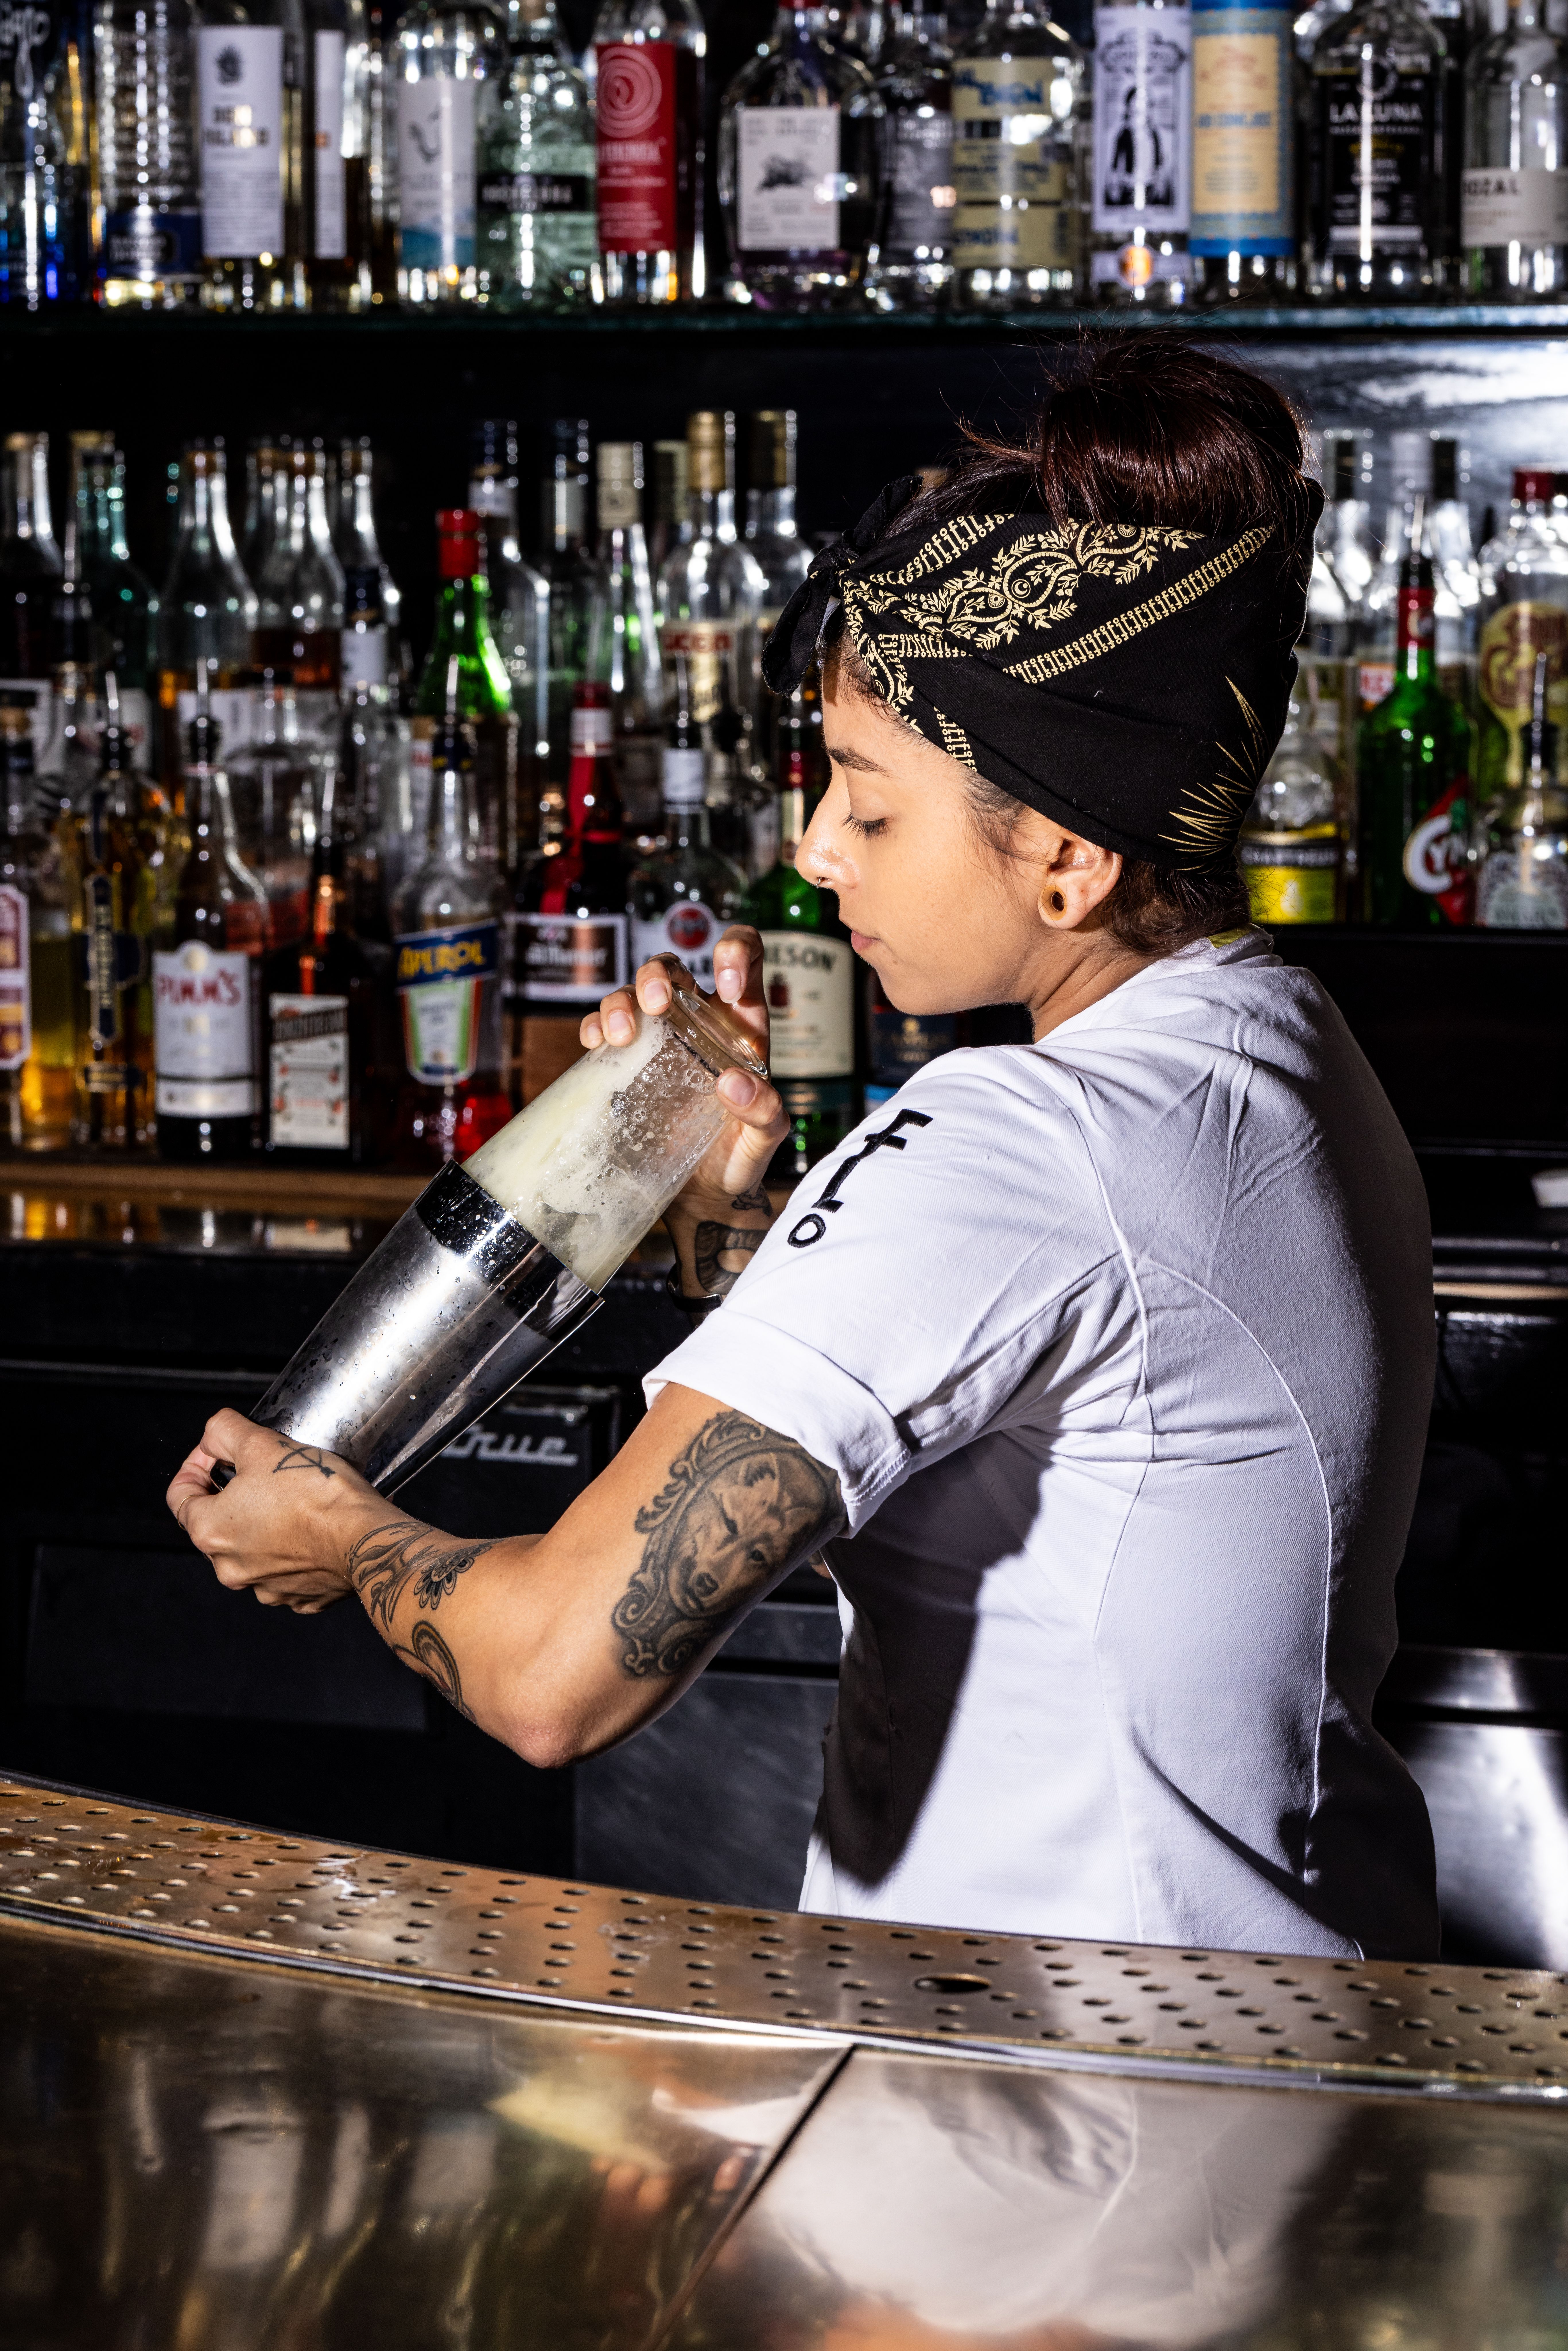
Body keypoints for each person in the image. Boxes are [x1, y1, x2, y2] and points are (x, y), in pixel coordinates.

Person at [169, 340, 1439, 1960]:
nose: (816, 851)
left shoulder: (1010, 1144)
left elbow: (558, 1676)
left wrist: (344, 1540)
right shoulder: (1278, 1047)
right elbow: (1046, 1385)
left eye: (869, 800)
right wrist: (732, 1210)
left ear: (1057, 853)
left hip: (1057, 2127)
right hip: (1257, 2033)